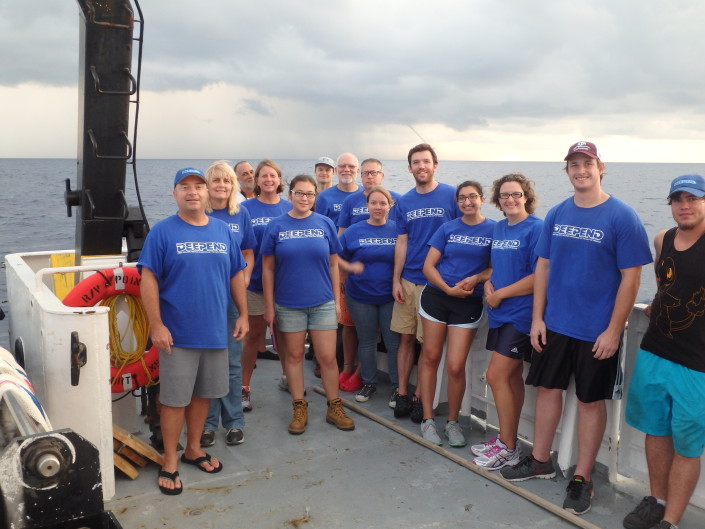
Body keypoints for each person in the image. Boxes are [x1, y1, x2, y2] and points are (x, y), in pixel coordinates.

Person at [500, 141, 652, 517]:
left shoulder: (622, 216)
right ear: (566, 170)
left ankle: (582, 477)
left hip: (596, 329)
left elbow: (631, 278)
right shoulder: (557, 213)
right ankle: (539, 460)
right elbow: (543, 269)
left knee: (588, 400)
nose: (580, 170)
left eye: (587, 163)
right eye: (573, 164)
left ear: (601, 167)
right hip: (555, 324)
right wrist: (537, 318)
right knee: (548, 390)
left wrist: (614, 330)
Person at [139, 167, 249, 495]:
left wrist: (243, 314)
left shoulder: (222, 231)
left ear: (207, 194)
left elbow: (235, 274)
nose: (193, 192)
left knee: (204, 394)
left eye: (198, 186)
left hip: (216, 331)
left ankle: (193, 449)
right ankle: (170, 458)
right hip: (177, 334)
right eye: (184, 186)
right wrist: (156, 325)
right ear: (175, 194)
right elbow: (148, 279)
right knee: (174, 400)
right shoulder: (162, 233)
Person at [623, 175, 705, 529]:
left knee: (688, 443)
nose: (685, 205)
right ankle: (656, 501)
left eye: (693, 198)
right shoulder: (663, 239)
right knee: (655, 431)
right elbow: (668, 283)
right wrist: (656, 304)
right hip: (656, 350)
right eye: (677, 199)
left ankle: (670, 521)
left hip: (697, 363)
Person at [261, 174, 355, 434]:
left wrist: (337, 301)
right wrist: (269, 307)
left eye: (310, 194)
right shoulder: (276, 226)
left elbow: (334, 263)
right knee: (293, 356)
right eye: (300, 193)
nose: (305, 198)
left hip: (322, 301)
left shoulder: (324, 223)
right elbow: (268, 268)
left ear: (316, 197)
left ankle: (334, 405)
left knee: (327, 357)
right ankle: (299, 406)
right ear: (290, 194)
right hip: (288, 304)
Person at [471, 173, 542, 470]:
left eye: (516, 194)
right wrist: (488, 284)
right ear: (497, 201)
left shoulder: (537, 228)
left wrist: (501, 294)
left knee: (495, 376)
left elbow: (540, 276)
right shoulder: (499, 228)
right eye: (504, 195)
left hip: (521, 315)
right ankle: (505, 438)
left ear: (526, 196)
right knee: (511, 379)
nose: (510, 200)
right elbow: (495, 266)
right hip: (499, 313)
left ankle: (509, 448)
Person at [417, 181, 494, 447]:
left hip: (468, 302)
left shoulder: (494, 229)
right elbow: (428, 266)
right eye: (462, 198)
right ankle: (427, 420)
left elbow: (493, 268)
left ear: (482, 199)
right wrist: (448, 289)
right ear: (457, 202)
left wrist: (477, 277)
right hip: (438, 297)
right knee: (430, 357)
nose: (467, 202)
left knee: (455, 365)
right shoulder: (447, 228)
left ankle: (452, 422)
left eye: (472, 197)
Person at [391, 143, 460, 421]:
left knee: (427, 346)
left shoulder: (452, 196)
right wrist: (395, 279)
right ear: (409, 168)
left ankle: (421, 396)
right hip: (408, 280)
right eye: (416, 162)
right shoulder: (404, 202)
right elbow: (402, 241)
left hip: (436, 284)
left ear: (435, 165)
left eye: (426, 162)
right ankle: (402, 392)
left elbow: (461, 233)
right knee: (405, 339)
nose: (421, 166)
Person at [200, 161, 256, 448]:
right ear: (207, 186)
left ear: (233, 185)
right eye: (216, 180)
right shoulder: (199, 214)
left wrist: (243, 279)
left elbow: (248, 250)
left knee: (232, 363)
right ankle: (207, 424)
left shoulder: (240, 214)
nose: (221, 185)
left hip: (232, 301)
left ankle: (234, 422)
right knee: (209, 362)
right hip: (204, 301)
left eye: (226, 181)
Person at [338, 186, 400, 403]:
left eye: (383, 203)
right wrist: (349, 269)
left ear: (390, 206)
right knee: (366, 341)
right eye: (374, 203)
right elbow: (335, 256)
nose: (378, 207)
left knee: (393, 343)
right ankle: (368, 383)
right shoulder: (354, 231)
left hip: (390, 297)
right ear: (367, 205)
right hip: (360, 296)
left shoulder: (397, 229)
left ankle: (397, 388)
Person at [240, 160, 292, 411]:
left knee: (284, 336)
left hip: (286, 284)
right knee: (254, 336)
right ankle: (244, 388)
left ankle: (287, 376)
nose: (269, 179)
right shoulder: (244, 209)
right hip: (256, 283)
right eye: (264, 175)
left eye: (273, 175)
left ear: (280, 180)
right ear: (256, 180)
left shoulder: (290, 208)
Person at [315, 153, 363, 391]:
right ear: (336, 170)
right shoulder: (325, 196)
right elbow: (316, 227)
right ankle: (323, 360)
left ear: (357, 170)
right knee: (330, 314)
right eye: (342, 166)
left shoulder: (365, 194)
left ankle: (346, 364)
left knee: (350, 319)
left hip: (361, 265)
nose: (346, 170)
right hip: (331, 263)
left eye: (351, 166)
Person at [337, 158, 401, 232]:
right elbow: (342, 232)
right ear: (361, 176)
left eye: (373, 172)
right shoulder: (350, 201)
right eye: (365, 173)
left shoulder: (398, 200)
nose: (369, 176)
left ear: (382, 175)